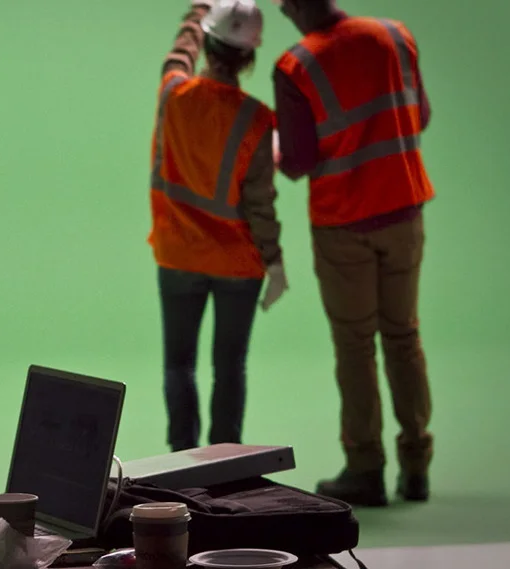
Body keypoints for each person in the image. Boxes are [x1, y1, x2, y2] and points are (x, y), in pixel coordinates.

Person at [272, 0, 435, 506]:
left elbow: (298, 161)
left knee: (355, 345)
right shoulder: (395, 34)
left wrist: (275, 152)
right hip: (404, 210)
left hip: (343, 223)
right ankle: (416, 467)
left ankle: (366, 469)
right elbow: (421, 115)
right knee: (403, 335)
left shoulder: (297, 65)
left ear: (297, 5)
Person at [149, 0, 288, 453]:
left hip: (178, 254)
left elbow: (177, 57)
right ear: (250, 56)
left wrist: (198, 10)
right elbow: (260, 205)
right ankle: (225, 466)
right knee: (230, 367)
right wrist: (276, 263)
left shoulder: (174, 94)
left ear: (206, 42)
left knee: (178, 366)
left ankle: (181, 465)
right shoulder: (256, 118)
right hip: (236, 264)